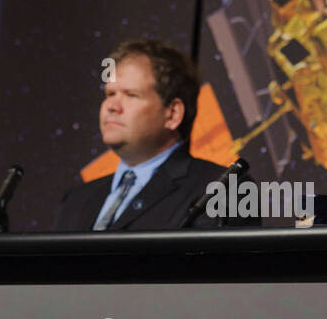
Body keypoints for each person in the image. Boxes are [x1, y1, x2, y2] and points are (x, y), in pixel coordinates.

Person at [53, 38, 256, 230]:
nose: (111, 106)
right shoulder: (75, 201)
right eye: (110, 94)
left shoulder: (224, 190)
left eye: (131, 95)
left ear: (172, 113)